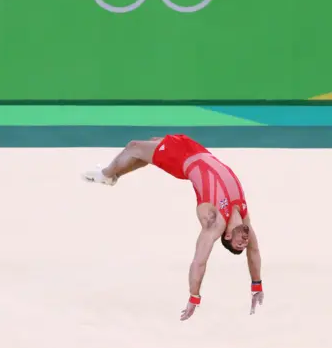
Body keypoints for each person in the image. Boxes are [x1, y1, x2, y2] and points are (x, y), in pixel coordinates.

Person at [82, 134, 264, 321]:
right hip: (200, 151)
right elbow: (255, 251)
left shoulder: (215, 222)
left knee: (134, 146)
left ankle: (107, 175)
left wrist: (194, 297)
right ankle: (117, 173)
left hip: (182, 160)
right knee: (153, 141)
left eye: (239, 244)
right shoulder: (243, 215)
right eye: (244, 243)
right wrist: (256, 285)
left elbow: (199, 262)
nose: (245, 240)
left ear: (226, 237)